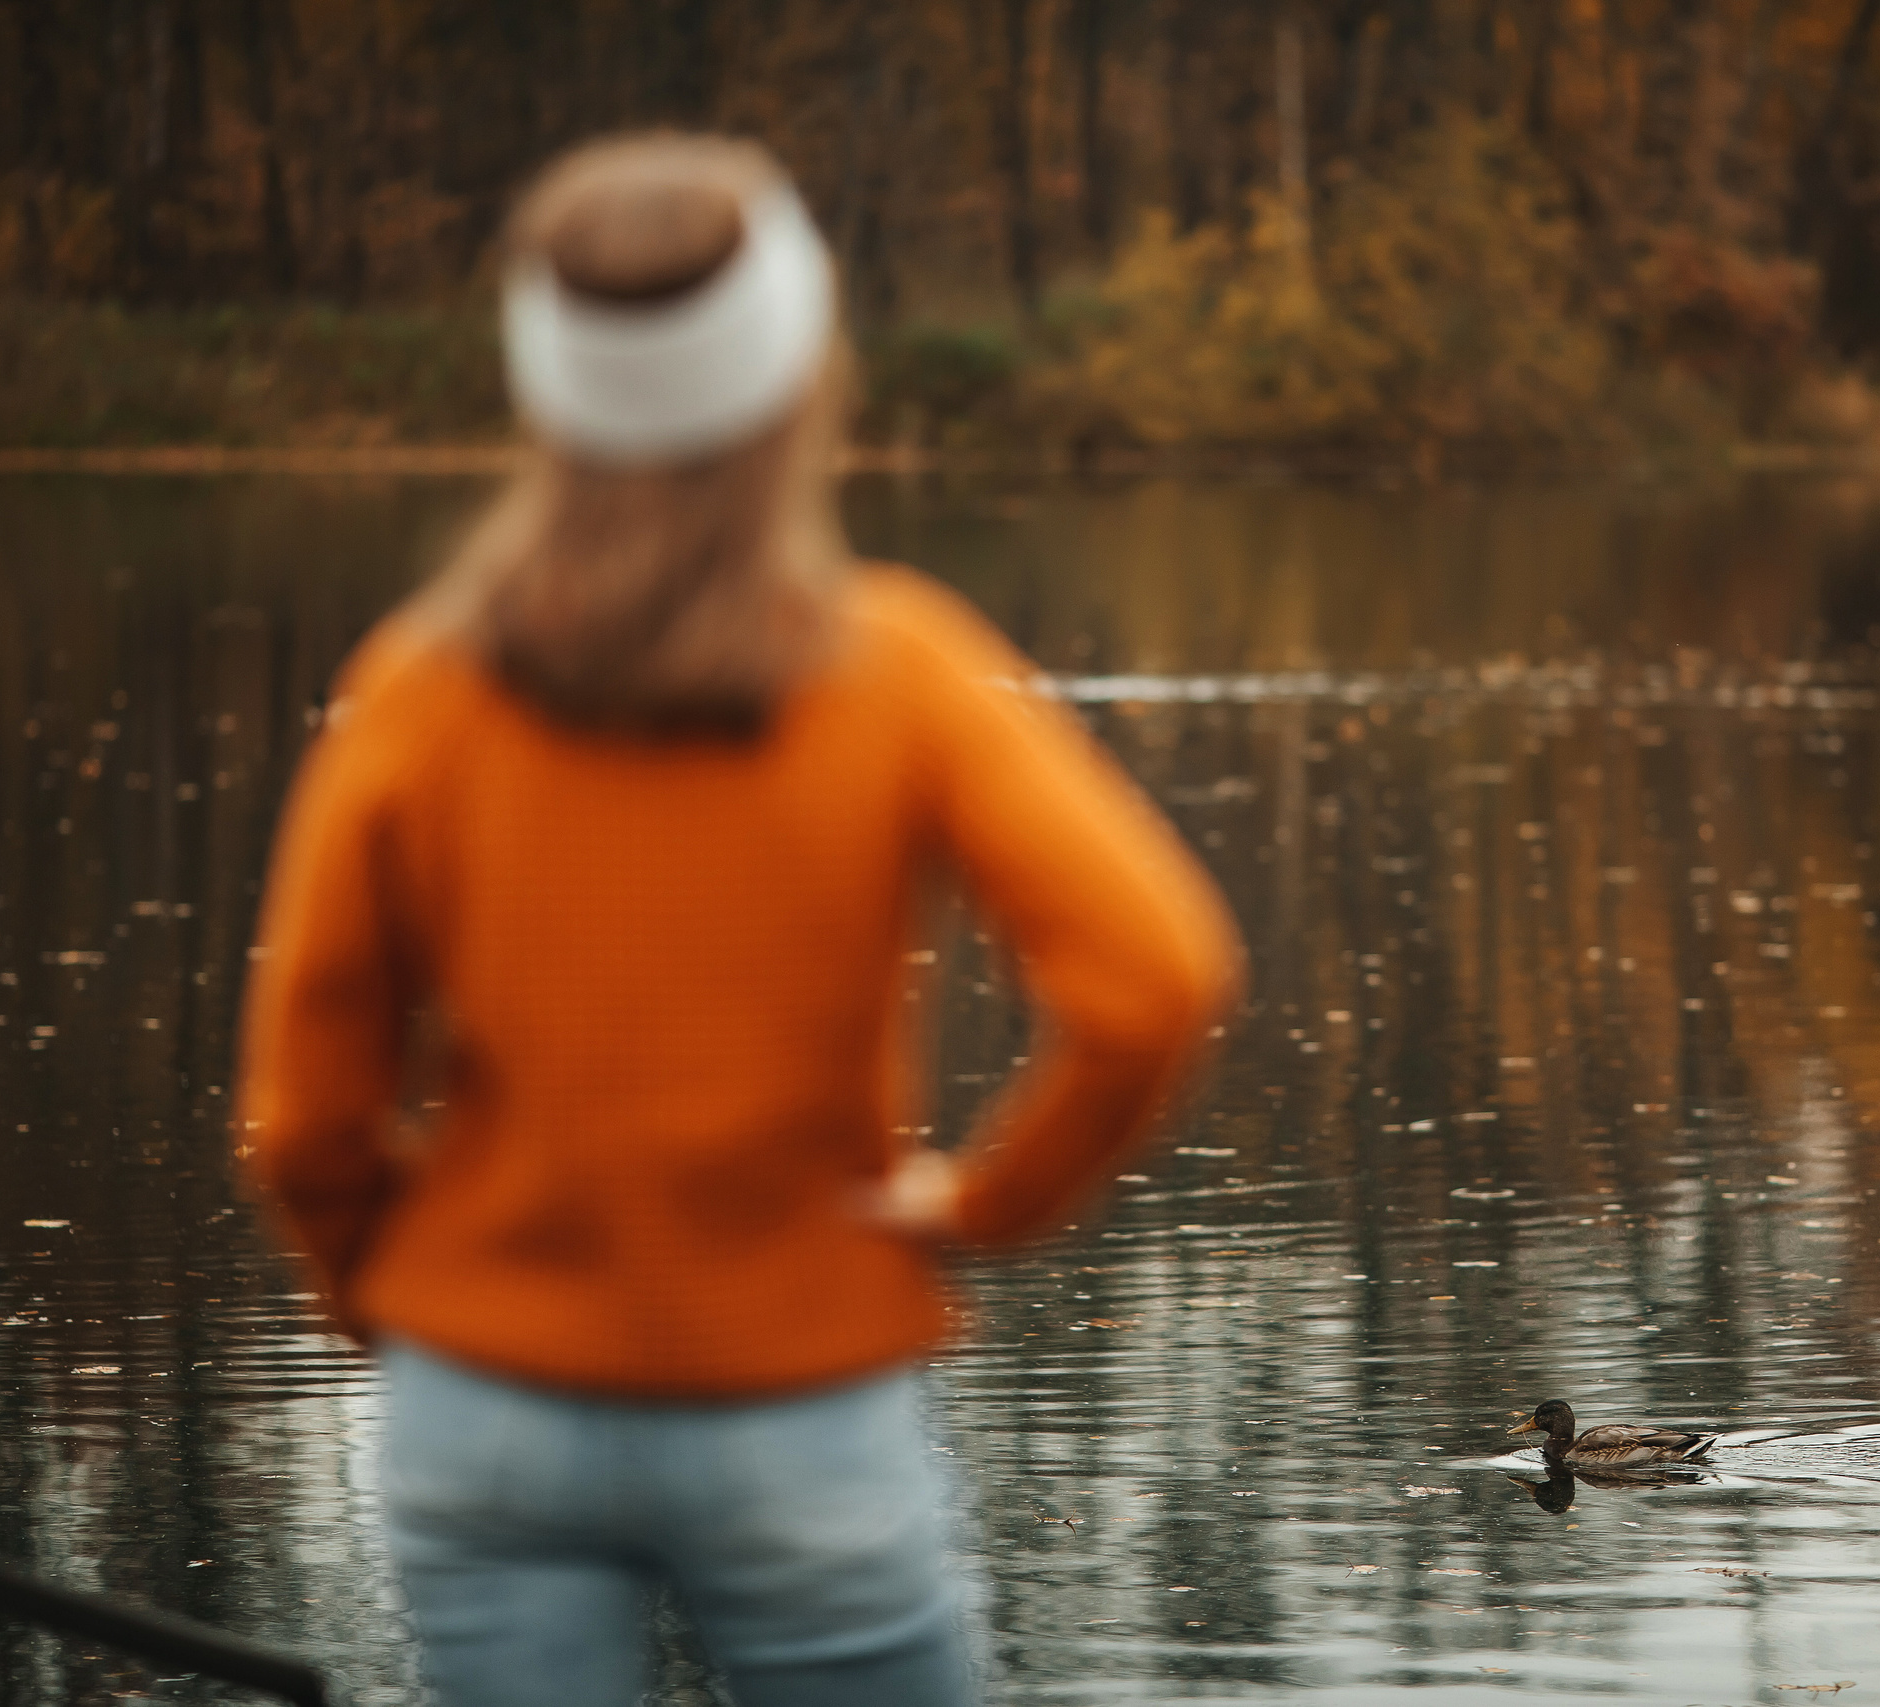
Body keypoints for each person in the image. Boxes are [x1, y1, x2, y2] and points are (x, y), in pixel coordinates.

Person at [234, 133, 1242, 1707]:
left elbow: (305, 1122)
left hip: (481, 1403)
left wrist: (400, 1301)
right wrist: (984, 1207)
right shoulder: (897, 670)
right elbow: (1154, 982)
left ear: (541, 399)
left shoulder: (417, 693)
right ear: (801, 383)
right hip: (798, 1404)